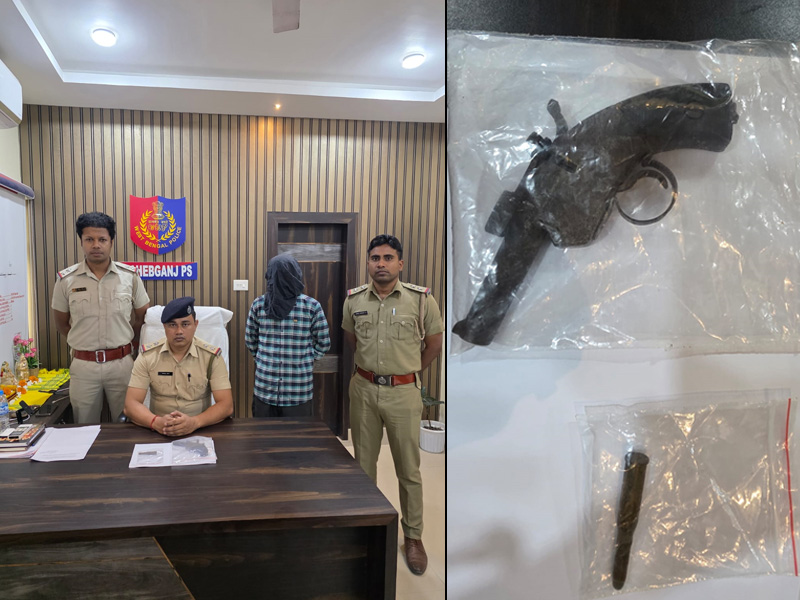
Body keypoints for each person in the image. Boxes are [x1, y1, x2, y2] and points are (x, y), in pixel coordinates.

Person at [342, 234, 444, 575]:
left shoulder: (421, 300)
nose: (381, 264)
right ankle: (366, 526)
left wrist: (406, 373)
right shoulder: (354, 300)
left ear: (400, 263)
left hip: (403, 394)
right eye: (375, 258)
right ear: (368, 263)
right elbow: (352, 341)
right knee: (363, 465)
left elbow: (433, 344)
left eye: (388, 258)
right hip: (364, 390)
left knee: (408, 469)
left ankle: (413, 537)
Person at [51, 211, 150, 423]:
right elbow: (61, 323)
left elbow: (142, 317)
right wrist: (83, 342)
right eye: (89, 239)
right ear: (81, 241)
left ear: (111, 242)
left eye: (102, 239)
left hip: (122, 364)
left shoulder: (130, 277)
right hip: (84, 366)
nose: (96, 245)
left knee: (128, 422)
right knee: (84, 425)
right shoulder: (66, 280)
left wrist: (129, 343)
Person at [124, 296, 233, 436]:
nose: (179, 331)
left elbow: (226, 405)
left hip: (200, 430)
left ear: (196, 325)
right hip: (158, 430)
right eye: (172, 325)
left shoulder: (211, 358)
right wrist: (155, 422)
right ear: (164, 327)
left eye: (185, 324)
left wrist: (195, 422)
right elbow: (131, 404)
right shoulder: (147, 356)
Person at [245, 254, 331, 417]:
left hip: (297, 392)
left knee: (295, 434)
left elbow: (323, 343)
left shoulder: (310, 306)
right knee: (264, 433)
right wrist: (265, 360)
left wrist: (305, 360)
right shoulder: (260, 305)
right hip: (266, 391)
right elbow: (251, 340)